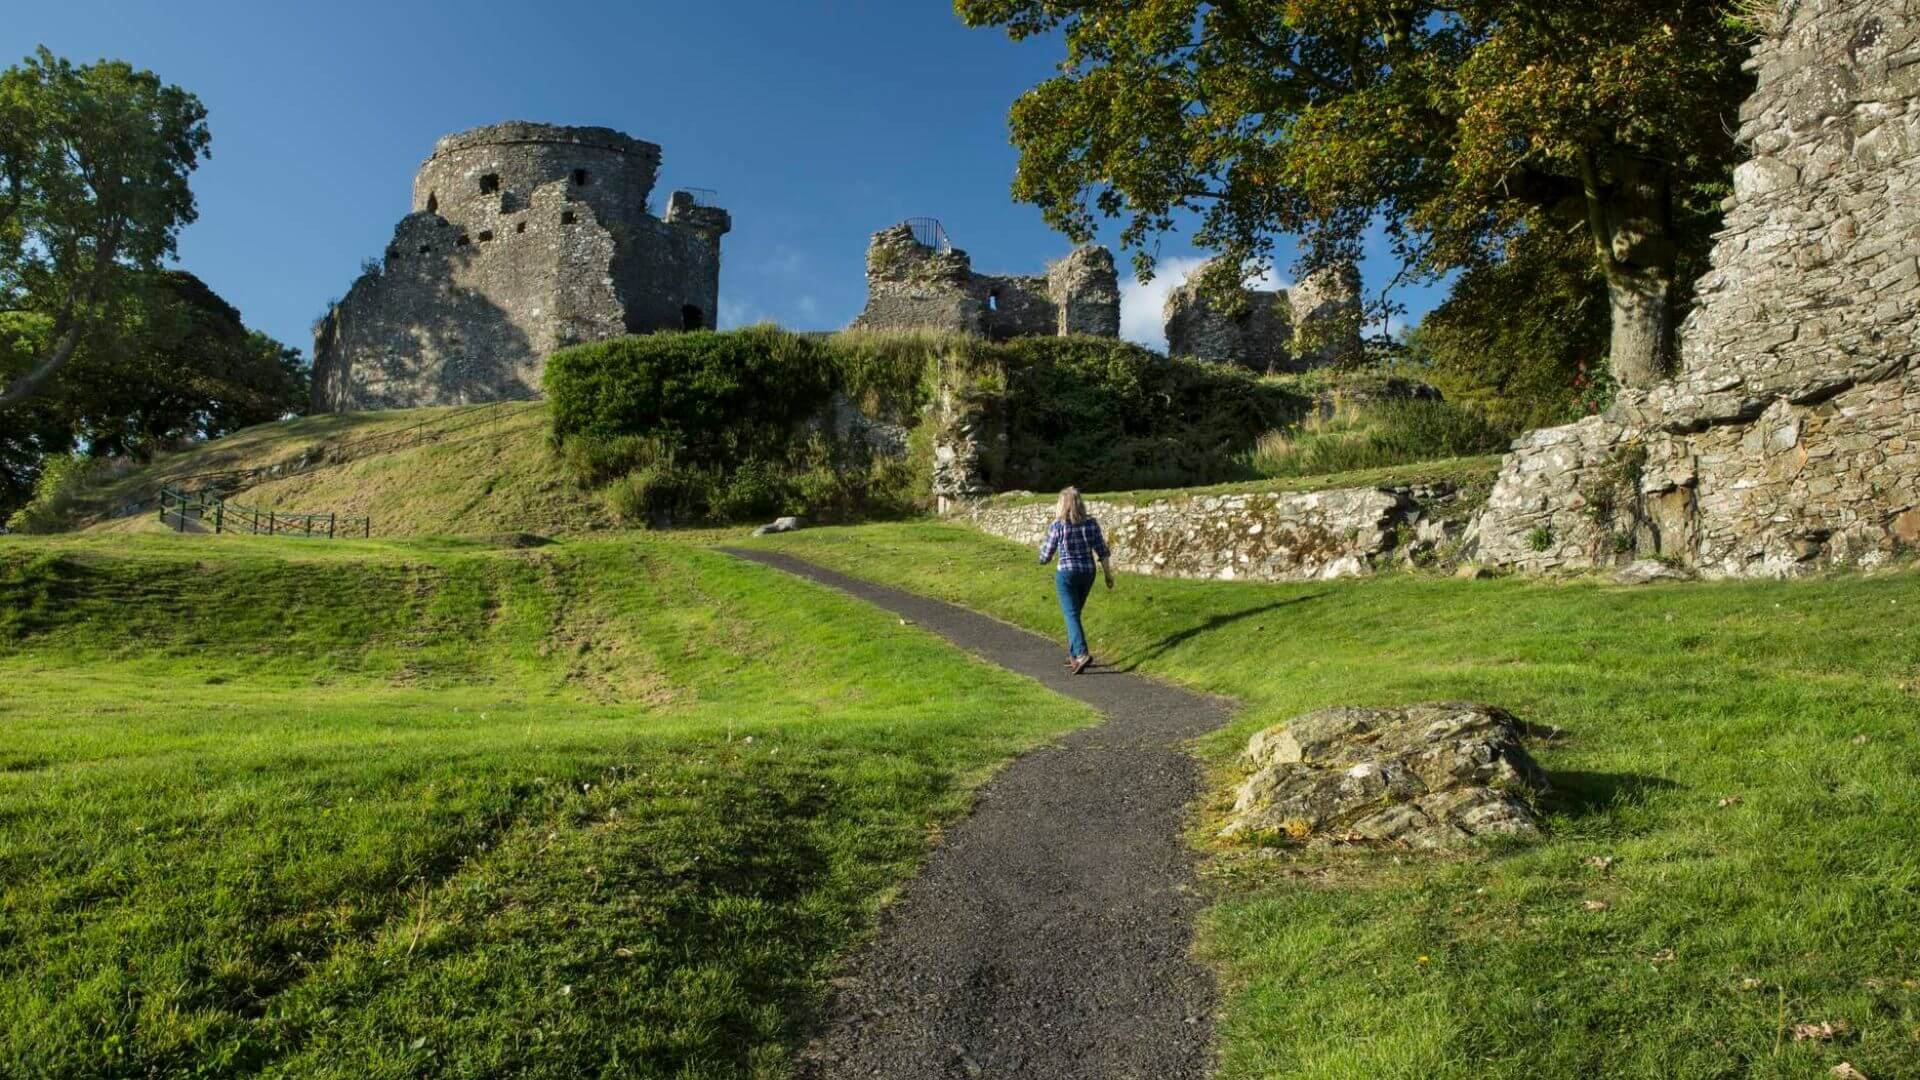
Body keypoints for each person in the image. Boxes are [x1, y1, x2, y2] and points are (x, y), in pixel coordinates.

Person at [1037, 486, 1114, 674]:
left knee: (1070, 614)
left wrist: (1042, 556)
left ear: (1062, 505)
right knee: (1074, 613)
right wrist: (1108, 574)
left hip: (1066, 575)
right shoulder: (1091, 524)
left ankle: (1081, 653)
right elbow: (1102, 550)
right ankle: (1073, 653)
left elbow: (1045, 556)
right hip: (1088, 573)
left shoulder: (1058, 526)